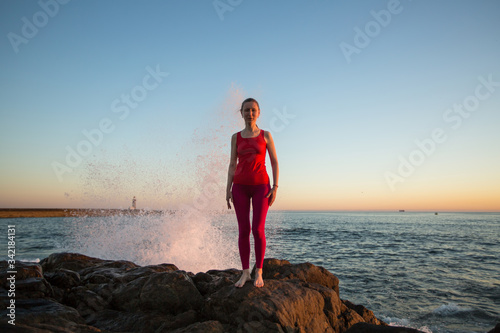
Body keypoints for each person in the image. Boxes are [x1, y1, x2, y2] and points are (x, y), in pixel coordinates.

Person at [226, 98, 279, 288]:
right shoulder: (236, 137)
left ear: (258, 112)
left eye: (253, 110)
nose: (250, 113)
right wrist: (227, 189)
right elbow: (232, 164)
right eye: (246, 110)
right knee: (243, 230)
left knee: (257, 229)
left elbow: (274, 161)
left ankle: (259, 272)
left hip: (261, 187)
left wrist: (275, 187)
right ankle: (245, 272)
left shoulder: (265, 135)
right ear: (241, 113)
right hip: (239, 187)